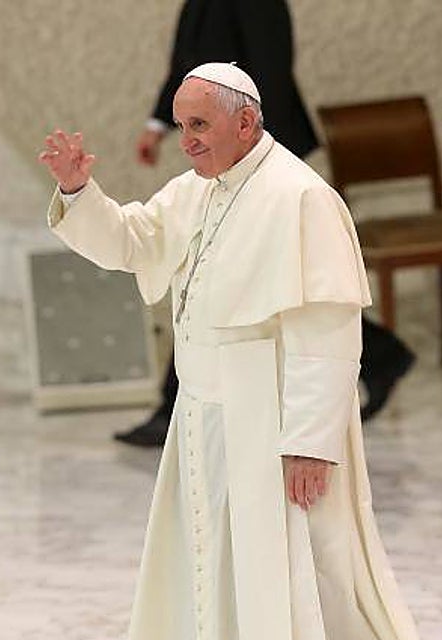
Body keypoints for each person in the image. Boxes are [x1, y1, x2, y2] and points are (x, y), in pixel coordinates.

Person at [39, 64, 442, 640]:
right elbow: (133, 244)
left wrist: (308, 443)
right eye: (181, 126)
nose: (188, 142)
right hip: (208, 421)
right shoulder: (198, 191)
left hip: (275, 429)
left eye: (201, 126)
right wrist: (82, 192)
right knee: (220, 603)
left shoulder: (300, 196)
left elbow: (328, 332)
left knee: (317, 599)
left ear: (247, 121)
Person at [116, 0, 412, 448]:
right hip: (234, 156)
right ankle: (384, 354)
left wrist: (255, 156)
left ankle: (172, 403)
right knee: (211, 276)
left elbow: (269, 70)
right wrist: (158, 124)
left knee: (256, 281)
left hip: (261, 157)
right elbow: (190, 68)